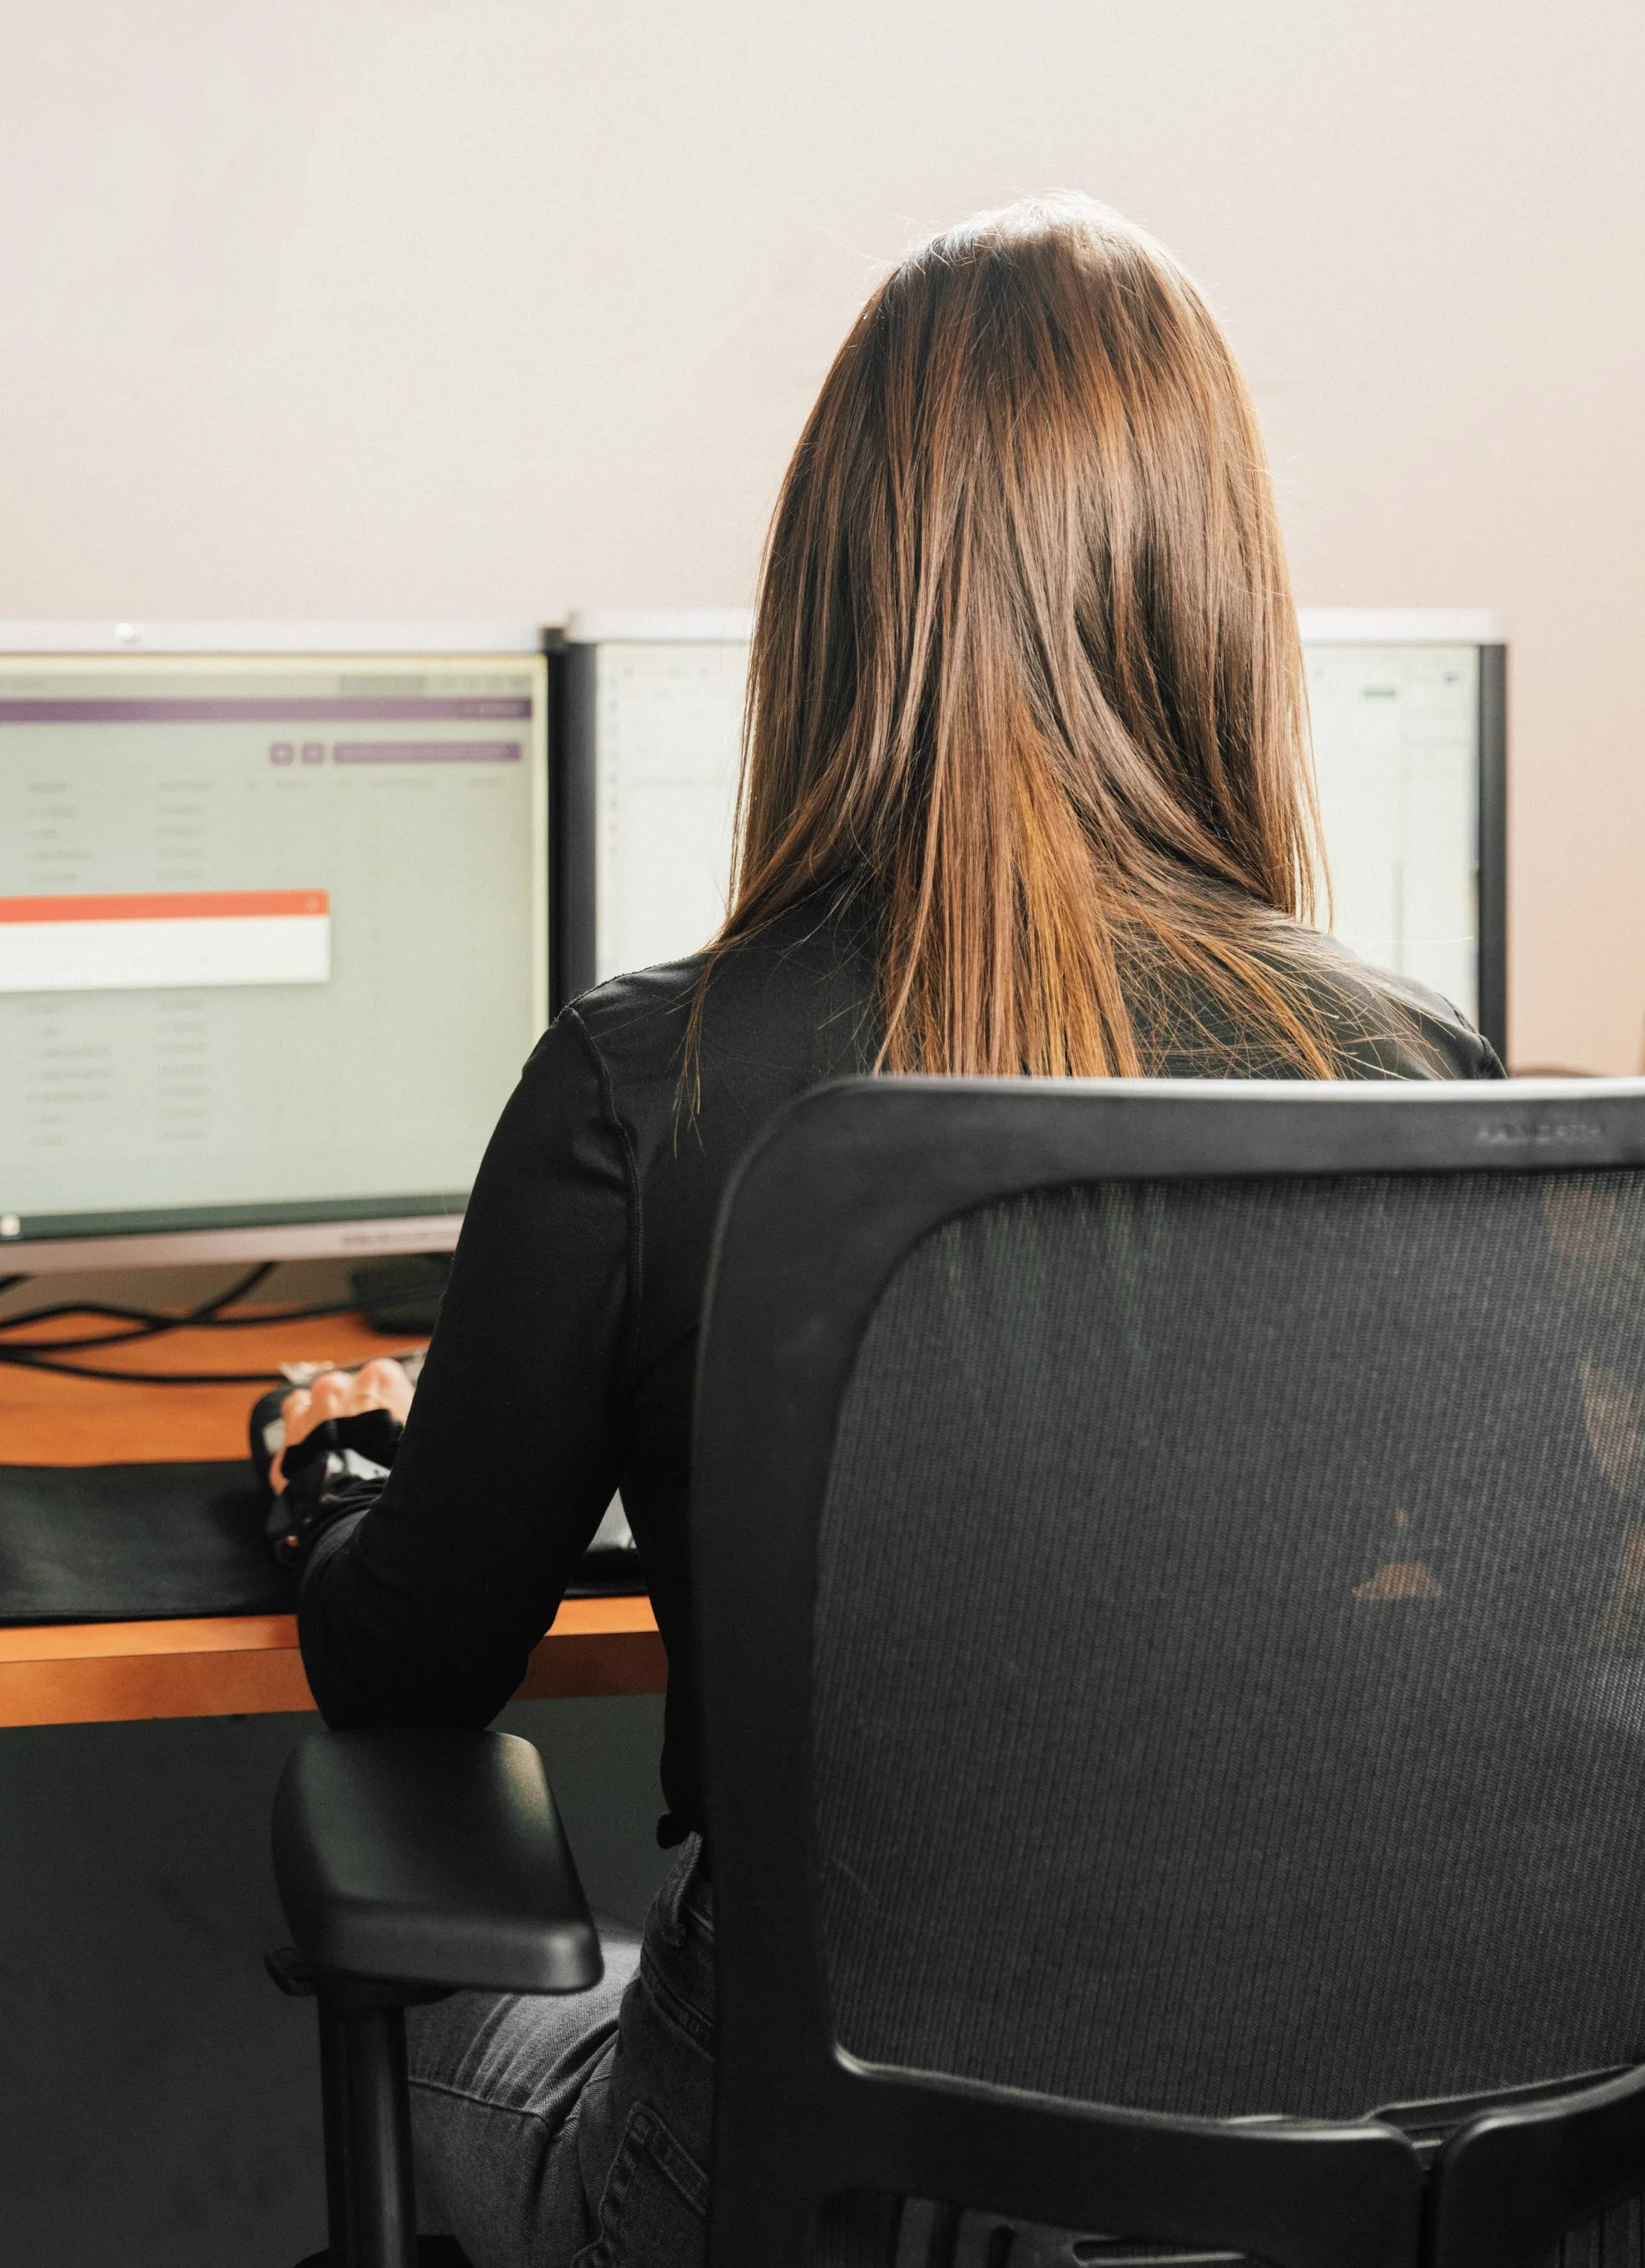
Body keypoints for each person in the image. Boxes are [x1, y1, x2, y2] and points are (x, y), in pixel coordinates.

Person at [271, 195, 1501, 2268]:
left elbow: (408, 1671)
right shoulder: (1416, 1077)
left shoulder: (641, 1083)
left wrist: (338, 1478)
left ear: (833, 597)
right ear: (1215, 589)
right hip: (1298, 2177)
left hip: (798, 2194)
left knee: (418, 2041)